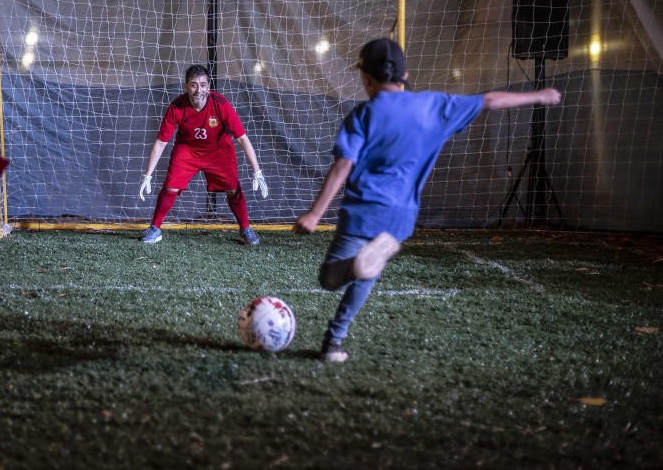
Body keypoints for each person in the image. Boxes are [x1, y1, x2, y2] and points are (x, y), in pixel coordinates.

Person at [293, 37, 561, 363]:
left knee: (330, 278)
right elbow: (489, 100)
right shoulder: (435, 106)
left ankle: (350, 282)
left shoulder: (364, 114)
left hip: (363, 210)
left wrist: (314, 213)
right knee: (368, 273)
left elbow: (343, 165)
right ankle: (333, 343)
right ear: (404, 75)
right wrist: (539, 95)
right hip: (401, 217)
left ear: (366, 78)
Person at [139, 64, 268, 245]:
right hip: (188, 150)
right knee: (170, 187)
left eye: (202, 84)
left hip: (218, 151)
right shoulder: (177, 106)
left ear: (209, 86)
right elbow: (161, 142)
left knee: (232, 188)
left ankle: (245, 229)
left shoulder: (221, 104)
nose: (198, 90)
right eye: (193, 85)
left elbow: (242, 139)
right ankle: (155, 228)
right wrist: (148, 175)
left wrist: (257, 171)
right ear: (186, 87)